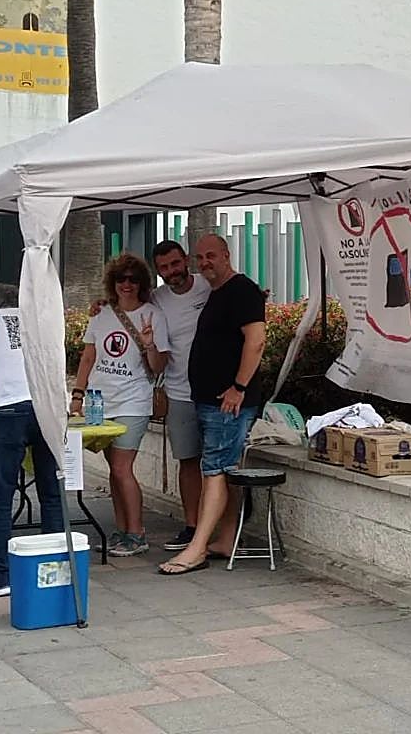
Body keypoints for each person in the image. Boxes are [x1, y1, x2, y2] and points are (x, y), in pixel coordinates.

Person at [159, 234, 265, 576]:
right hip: (206, 400)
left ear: (226, 255)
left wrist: (238, 387)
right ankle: (226, 538)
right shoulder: (215, 292)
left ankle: (197, 549)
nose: (205, 262)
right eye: (200, 258)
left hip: (228, 402)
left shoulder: (242, 290)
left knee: (214, 470)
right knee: (222, 470)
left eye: (211, 256)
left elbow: (257, 340)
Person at [70, 253, 168, 557]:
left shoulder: (153, 315)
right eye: (120, 279)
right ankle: (122, 530)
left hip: (133, 402)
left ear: (142, 283)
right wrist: (77, 395)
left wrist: (148, 342)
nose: (127, 284)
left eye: (133, 279)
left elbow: (159, 364)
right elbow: (88, 357)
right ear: (112, 283)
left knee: (123, 468)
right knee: (115, 469)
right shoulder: (101, 314)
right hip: (101, 403)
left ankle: (137, 533)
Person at [0, 283, 63, 597]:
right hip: (44, 407)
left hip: (7, 410)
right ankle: (53, 568)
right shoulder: (36, 318)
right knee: (51, 492)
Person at [148, 240, 211, 551]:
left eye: (175, 264)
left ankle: (221, 526)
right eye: (164, 268)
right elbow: (126, 307)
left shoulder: (208, 285)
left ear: (186, 260)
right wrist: (101, 306)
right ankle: (192, 525)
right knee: (188, 461)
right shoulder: (156, 299)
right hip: (179, 392)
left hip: (216, 393)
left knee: (218, 463)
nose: (171, 272)